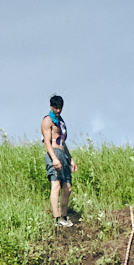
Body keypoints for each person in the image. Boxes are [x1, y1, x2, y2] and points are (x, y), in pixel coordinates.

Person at [40, 94, 75, 226]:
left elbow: (63, 142)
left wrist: (71, 159)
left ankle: (64, 217)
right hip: (53, 153)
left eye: (60, 107)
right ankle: (56, 218)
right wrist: (54, 158)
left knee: (68, 187)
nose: (58, 110)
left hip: (63, 154)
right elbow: (47, 142)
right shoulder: (47, 120)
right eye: (56, 107)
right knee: (56, 185)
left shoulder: (61, 122)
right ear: (51, 106)